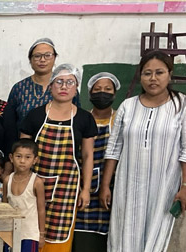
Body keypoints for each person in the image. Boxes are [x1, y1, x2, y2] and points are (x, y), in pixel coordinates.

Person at [99, 50, 186, 251]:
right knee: (123, 238)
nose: (153, 78)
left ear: (169, 75)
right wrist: (105, 185)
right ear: (141, 76)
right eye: (147, 73)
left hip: (163, 188)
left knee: (155, 240)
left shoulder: (184, 105)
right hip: (127, 186)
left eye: (159, 72)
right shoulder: (128, 106)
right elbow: (114, 147)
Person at [19, 64, 96, 251]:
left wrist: (85, 189)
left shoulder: (84, 118)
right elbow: (22, 153)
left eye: (70, 82)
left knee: (58, 238)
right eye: (59, 82)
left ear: (76, 87)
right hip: (34, 185)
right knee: (30, 233)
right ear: (51, 86)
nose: (64, 86)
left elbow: (87, 155)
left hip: (67, 187)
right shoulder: (35, 115)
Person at [72, 72, 121, 252]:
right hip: (83, 183)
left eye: (108, 89)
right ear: (90, 93)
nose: (103, 93)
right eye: (98, 89)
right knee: (81, 235)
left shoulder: (120, 120)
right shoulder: (83, 118)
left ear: (115, 94)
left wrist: (106, 185)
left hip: (111, 185)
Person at [7, 38, 80, 125]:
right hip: (24, 138)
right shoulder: (19, 88)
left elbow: (78, 118)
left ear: (54, 58)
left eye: (47, 55)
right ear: (30, 60)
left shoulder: (68, 87)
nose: (42, 60)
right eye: (37, 56)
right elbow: (9, 122)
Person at [2, 139, 46, 252]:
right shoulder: (8, 180)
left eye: (27, 157)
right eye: (18, 156)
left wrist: (41, 234)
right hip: (10, 232)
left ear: (35, 160)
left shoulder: (36, 182)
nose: (22, 161)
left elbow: (41, 210)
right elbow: (5, 206)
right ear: (11, 158)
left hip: (29, 233)